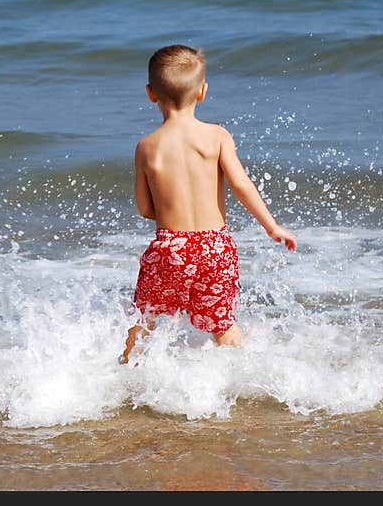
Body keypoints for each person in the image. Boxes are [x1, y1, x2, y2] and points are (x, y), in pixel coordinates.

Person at [120, 45, 296, 364]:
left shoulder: (147, 147)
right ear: (202, 92)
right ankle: (242, 384)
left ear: (150, 93)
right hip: (215, 249)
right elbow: (242, 185)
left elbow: (145, 209)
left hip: (169, 249)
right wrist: (272, 226)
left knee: (144, 320)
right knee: (223, 327)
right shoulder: (216, 136)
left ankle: (125, 374)